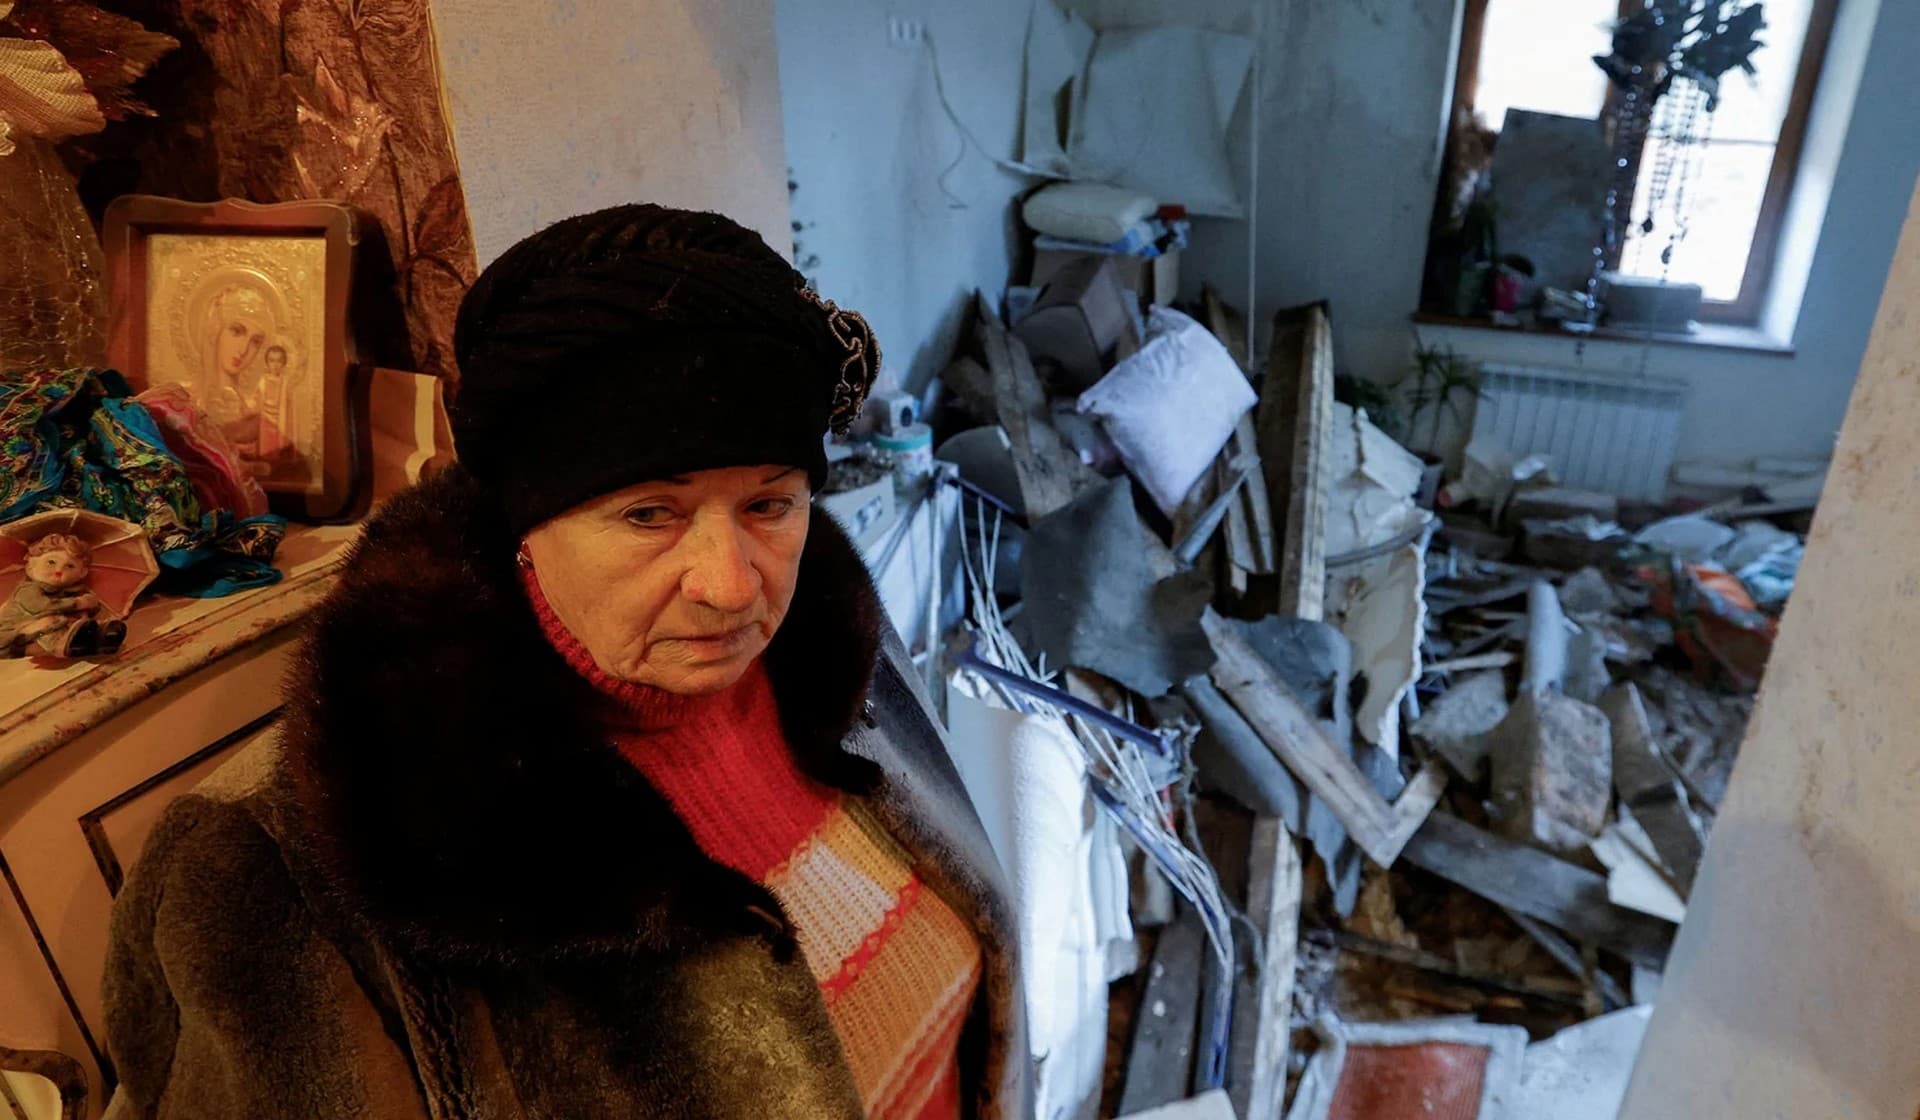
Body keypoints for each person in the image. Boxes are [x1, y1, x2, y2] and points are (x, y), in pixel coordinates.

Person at [100, 204, 1027, 1119]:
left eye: (769, 505)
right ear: (525, 529)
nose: (731, 587)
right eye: (648, 514)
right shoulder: (288, 870)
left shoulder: (839, 656)